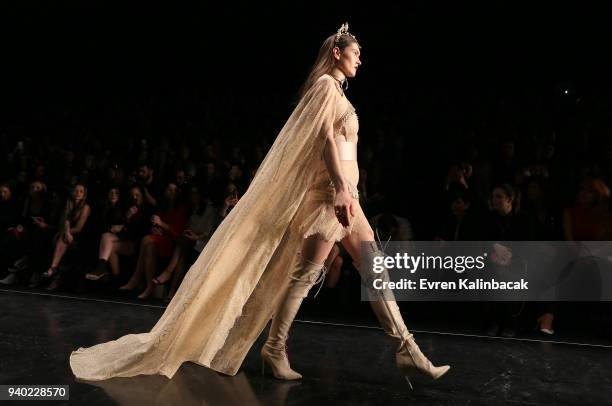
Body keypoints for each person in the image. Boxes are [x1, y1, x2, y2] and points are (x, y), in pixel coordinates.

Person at [69, 23, 449, 386]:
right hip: (328, 198)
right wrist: (338, 188)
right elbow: (325, 142)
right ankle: (278, 348)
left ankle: (403, 349)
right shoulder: (324, 87)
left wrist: (347, 189)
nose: (360, 59)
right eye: (356, 53)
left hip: (346, 195)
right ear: (337, 52)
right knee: (307, 277)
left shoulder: (337, 92)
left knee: (358, 269)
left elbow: (339, 143)